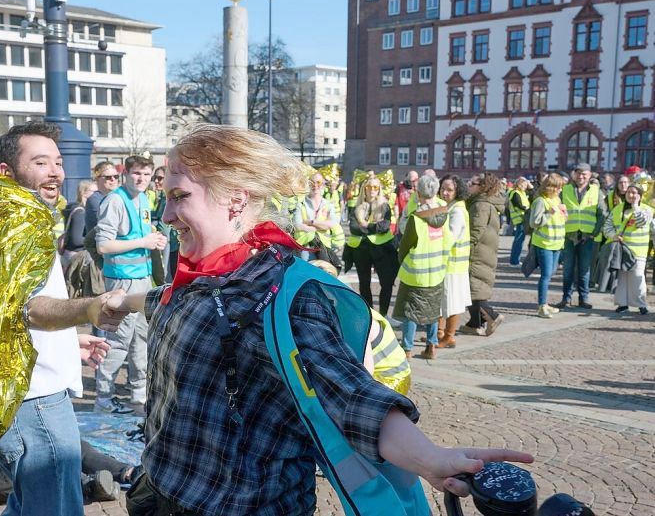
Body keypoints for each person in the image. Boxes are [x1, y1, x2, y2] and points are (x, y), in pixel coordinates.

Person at [109, 125, 532, 515]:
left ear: (235, 198)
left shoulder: (280, 296)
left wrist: (430, 458)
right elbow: (154, 303)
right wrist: (93, 305)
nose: (165, 216)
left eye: (179, 197)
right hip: (160, 493)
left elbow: (352, 396)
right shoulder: (195, 278)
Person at [0, 121, 130, 516]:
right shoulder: (13, 227)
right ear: (6, 172)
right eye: (40, 162)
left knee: (29, 504)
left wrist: (68, 341)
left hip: (32, 391)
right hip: (33, 399)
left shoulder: (21, 221)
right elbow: (29, 307)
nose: (56, 172)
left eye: (58, 161)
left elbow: (8, 310)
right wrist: (90, 308)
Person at [94, 154, 167, 415]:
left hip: (142, 279)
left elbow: (142, 235)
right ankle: (103, 398)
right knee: (118, 340)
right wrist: (143, 243)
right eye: (137, 174)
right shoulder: (115, 200)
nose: (142, 179)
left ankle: (138, 395)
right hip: (122, 281)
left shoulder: (145, 199)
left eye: (146, 175)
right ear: (126, 173)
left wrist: (155, 239)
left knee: (142, 339)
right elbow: (103, 245)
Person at [393, 175, 450, 359]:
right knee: (433, 310)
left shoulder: (416, 218)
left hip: (416, 272)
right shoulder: (444, 214)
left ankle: (407, 348)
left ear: (418, 193)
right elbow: (448, 241)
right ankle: (431, 345)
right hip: (437, 270)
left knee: (411, 311)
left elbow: (405, 246)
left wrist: (402, 260)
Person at [460, 173, 505, 335]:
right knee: (473, 287)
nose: (468, 185)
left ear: (482, 187)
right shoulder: (483, 202)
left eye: (472, 183)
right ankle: (474, 324)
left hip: (477, 252)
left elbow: (475, 230)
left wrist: (464, 249)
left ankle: (493, 315)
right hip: (484, 250)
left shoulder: (481, 205)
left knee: (474, 287)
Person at [349, 177, 398, 316]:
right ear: (364, 189)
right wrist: (373, 227)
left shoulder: (384, 206)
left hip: (383, 250)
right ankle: (370, 314)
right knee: (364, 284)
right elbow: (354, 228)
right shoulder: (357, 206)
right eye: (369, 187)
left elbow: (384, 227)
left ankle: (383, 315)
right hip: (362, 250)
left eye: (375, 187)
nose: (372, 190)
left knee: (387, 284)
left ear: (379, 189)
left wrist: (365, 225)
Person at [558, 163, 603, 310]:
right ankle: (566, 298)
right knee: (568, 269)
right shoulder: (565, 190)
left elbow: (602, 214)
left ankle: (583, 298)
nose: (581, 176)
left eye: (584, 174)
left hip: (587, 236)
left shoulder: (597, 191)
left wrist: (594, 233)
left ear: (590, 175)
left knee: (584, 269)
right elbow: (558, 210)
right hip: (568, 235)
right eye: (578, 173)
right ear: (574, 174)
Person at [604, 182, 653, 315]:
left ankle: (641, 304)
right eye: (629, 192)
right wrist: (613, 236)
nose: (631, 195)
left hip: (638, 250)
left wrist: (635, 206)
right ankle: (622, 304)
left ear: (640, 195)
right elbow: (607, 226)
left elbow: (641, 222)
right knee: (622, 277)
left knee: (637, 277)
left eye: (634, 193)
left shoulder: (647, 209)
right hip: (621, 249)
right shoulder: (618, 209)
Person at [437, 175, 472, 349]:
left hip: (453, 263)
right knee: (443, 300)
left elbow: (451, 236)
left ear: (457, 191)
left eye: (449, 190)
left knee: (452, 301)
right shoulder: (449, 206)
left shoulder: (457, 210)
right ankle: (440, 333)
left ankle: (449, 336)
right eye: (443, 188)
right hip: (449, 262)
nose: (445, 192)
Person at [529, 173, 568, 318]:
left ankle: (545, 304)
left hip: (557, 244)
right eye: (557, 188)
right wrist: (549, 214)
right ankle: (542, 306)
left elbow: (559, 220)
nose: (560, 191)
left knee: (550, 274)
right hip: (544, 243)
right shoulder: (540, 201)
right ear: (550, 187)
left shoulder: (557, 199)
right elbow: (534, 222)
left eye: (561, 188)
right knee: (545, 275)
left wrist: (564, 215)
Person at [293, 172, 340, 261]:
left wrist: (311, 222)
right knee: (307, 273)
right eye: (312, 182)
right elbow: (298, 225)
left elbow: (331, 224)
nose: (315, 185)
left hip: (324, 247)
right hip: (306, 247)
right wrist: (321, 227)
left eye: (318, 182)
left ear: (323, 184)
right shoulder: (301, 203)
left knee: (323, 272)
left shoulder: (328, 204)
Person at [61, 180, 95, 267]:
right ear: (84, 194)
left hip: (71, 255)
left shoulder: (75, 209)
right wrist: (95, 240)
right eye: (94, 192)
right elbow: (76, 240)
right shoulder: (80, 212)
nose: (97, 195)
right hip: (76, 257)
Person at [85, 161, 119, 233]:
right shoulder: (94, 199)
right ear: (97, 179)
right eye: (108, 177)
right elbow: (108, 222)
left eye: (116, 176)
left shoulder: (121, 196)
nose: (113, 179)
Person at [507, 177, 531, 265]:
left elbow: (532, 193)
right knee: (518, 240)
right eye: (524, 185)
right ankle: (514, 260)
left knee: (520, 240)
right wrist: (527, 209)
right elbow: (519, 205)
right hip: (520, 218)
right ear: (520, 184)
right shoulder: (515, 193)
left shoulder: (522, 193)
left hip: (522, 218)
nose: (526, 187)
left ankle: (515, 260)